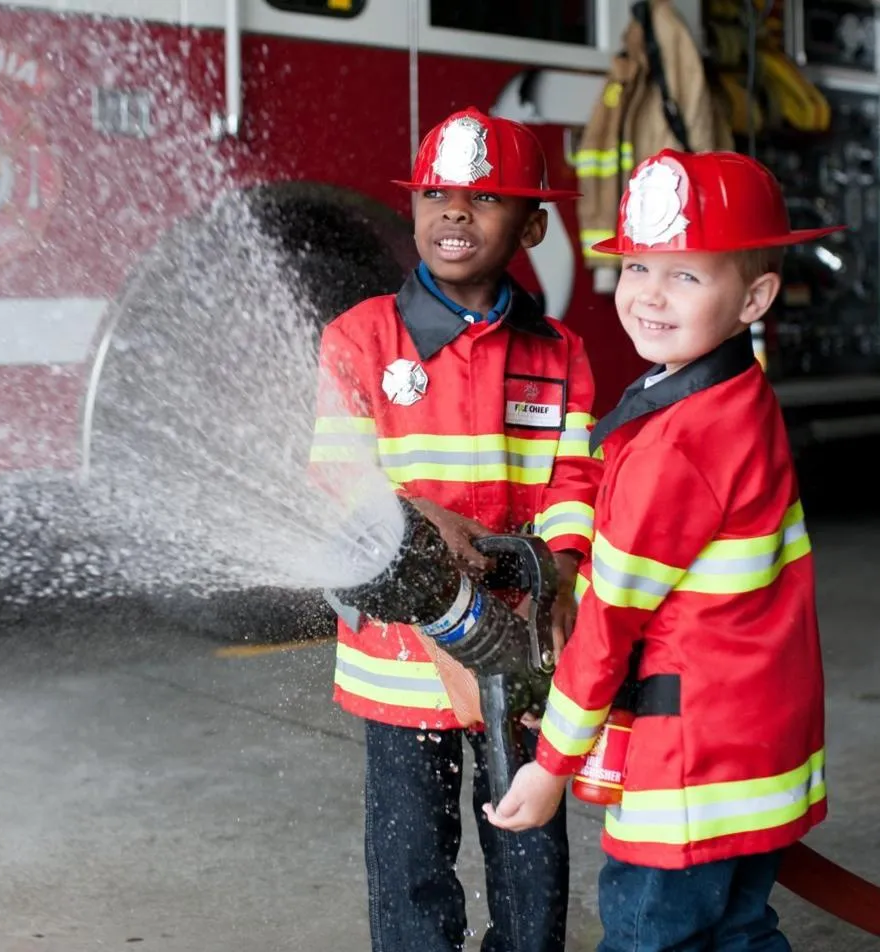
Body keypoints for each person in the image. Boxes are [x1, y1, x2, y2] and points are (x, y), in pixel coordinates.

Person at [485, 149, 839, 952]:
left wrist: (550, 766)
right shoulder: (736, 396)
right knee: (739, 930)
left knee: (654, 936)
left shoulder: (678, 443)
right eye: (639, 263)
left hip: (691, 765)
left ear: (755, 296)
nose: (647, 293)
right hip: (758, 745)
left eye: (685, 275)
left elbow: (611, 618)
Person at [309, 106, 603, 951]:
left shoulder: (559, 352)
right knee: (410, 866)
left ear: (535, 223)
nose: (454, 213)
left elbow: (573, 482)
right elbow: (333, 477)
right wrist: (415, 515)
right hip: (401, 664)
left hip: (517, 648)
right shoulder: (358, 340)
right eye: (436, 193)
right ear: (413, 209)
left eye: (484, 199)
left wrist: (562, 580)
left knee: (528, 848)